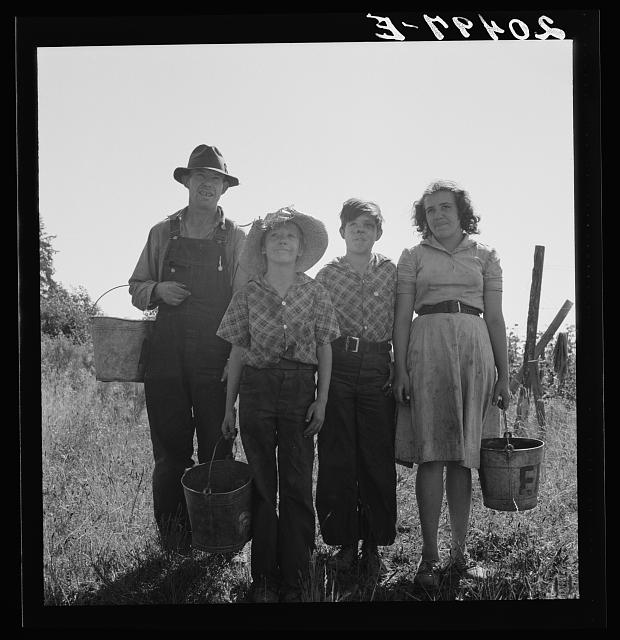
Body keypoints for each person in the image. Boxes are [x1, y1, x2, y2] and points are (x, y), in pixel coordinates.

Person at [217, 206, 340, 603]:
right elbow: (237, 352)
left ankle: (297, 577)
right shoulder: (249, 294)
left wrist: (321, 401)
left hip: (300, 392)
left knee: (297, 483)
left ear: (301, 247)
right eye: (276, 237)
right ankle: (265, 580)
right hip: (256, 390)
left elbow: (325, 348)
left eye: (291, 236)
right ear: (264, 248)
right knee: (263, 484)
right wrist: (228, 407)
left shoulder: (315, 292)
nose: (283, 241)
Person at [392, 180, 510, 588]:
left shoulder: (485, 255)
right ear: (422, 218)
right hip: (426, 348)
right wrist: (399, 369)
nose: (438, 215)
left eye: (445, 207)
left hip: (475, 350)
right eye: (430, 210)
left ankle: (459, 555)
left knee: (464, 457)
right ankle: (428, 557)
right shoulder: (413, 256)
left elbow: (494, 318)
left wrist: (504, 374)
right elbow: (401, 317)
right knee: (432, 454)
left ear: (461, 211)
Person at [128, 144, 247, 552]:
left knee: (217, 445)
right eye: (201, 178)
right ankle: (175, 541)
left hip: (216, 354)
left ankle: (219, 542)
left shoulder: (235, 237)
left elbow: (244, 297)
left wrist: (235, 357)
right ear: (187, 182)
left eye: (216, 180)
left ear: (224, 188)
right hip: (166, 353)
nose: (208, 185)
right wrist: (158, 289)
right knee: (169, 450)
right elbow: (136, 287)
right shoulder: (162, 232)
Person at [314, 198, 397, 580]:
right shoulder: (327, 276)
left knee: (376, 456)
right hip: (340, 365)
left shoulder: (392, 272)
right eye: (353, 225)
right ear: (342, 231)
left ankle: (374, 545)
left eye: (368, 225)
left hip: (379, 365)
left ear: (378, 233)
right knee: (338, 453)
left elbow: (401, 321)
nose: (360, 231)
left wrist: (399, 368)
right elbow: (318, 331)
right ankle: (344, 542)